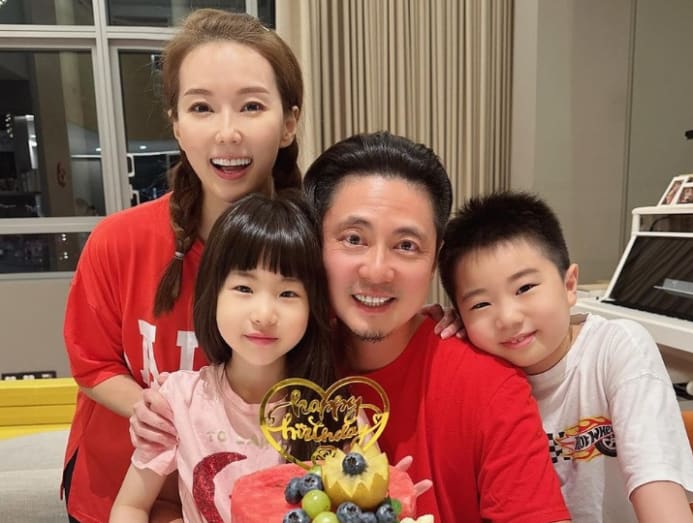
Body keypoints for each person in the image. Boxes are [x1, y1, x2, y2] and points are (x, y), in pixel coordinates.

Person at [133, 132, 571, 522]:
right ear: (313, 242)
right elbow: (172, 502)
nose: (377, 270)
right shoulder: (268, 355)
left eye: (406, 245)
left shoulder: (489, 390)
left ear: (434, 259)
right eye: (354, 239)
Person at [62, 9, 304, 523]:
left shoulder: (308, 254)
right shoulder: (118, 242)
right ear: (176, 123)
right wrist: (151, 408)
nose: (227, 132)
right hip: (118, 497)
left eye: (251, 106)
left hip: (249, 506)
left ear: (288, 122)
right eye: (201, 107)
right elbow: (92, 363)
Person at [438, 190, 693, 522]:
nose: (508, 318)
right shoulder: (478, 374)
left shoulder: (616, 349)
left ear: (570, 285)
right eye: (480, 304)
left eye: (525, 288)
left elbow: (659, 492)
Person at [110, 191, 341, 522]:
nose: (263, 315)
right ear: (213, 293)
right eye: (244, 289)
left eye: (288, 293)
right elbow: (130, 506)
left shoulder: (333, 412)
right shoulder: (179, 400)